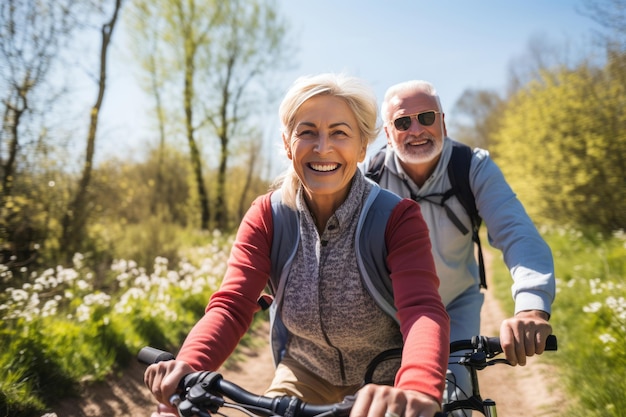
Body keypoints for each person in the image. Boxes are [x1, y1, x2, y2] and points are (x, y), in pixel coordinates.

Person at [144, 73, 450, 417]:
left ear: (362, 146)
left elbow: (421, 309)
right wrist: (187, 371)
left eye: (339, 132)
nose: (323, 147)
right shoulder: (267, 216)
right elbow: (232, 305)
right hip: (305, 374)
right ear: (288, 144)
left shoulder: (397, 218)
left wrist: (417, 389)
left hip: (385, 382)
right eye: (307, 132)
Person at [367, 80, 555, 409]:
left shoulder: (472, 166)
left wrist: (531, 307)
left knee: (456, 398)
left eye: (426, 117)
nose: (416, 130)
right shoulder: (368, 178)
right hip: (385, 312)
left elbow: (516, 231)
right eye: (402, 122)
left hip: (454, 307)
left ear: (443, 121)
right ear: (387, 133)